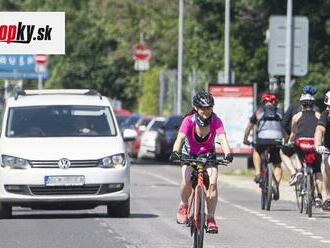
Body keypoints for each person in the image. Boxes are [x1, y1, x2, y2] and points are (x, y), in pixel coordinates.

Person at [170, 90, 233, 234]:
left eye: (209, 107)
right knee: (186, 180)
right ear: (196, 108)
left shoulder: (216, 121)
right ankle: (184, 205)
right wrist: (175, 152)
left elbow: (222, 139)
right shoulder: (189, 120)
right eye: (203, 108)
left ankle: (210, 218)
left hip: (208, 156)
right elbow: (180, 138)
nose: (206, 111)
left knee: (213, 183)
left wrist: (228, 153)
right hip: (189, 155)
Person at [243, 92, 283, 200]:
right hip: (277, 140)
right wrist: (286, 140)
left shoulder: (259, 111)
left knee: (256, 150)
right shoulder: (280, 112)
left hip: (262, 140)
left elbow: (248, 128)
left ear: (263, 102)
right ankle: (275, 186)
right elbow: (284, 128)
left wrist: (245, 139)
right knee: (277, 165)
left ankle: (257, 173)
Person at [287, 93, 322, 206]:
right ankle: (318, 196)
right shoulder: (318, 115)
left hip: (301, 143)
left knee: (297, 153)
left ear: (302, 105)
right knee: (317, 170)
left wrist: (289, 142)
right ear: (313, 105)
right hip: (314, 144)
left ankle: (300, 171)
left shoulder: (296, 116)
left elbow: (294, 133)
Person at [280, 85, 318, 184]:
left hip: (298, 140)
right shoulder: (316, 111)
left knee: (288, 150)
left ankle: (295, 173)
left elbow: (284, 123)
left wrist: (288, 139)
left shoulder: (294, 107)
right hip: (314, 142)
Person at [315, 91, 330, 211]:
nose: (328, 108)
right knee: (328, 163)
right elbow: (319, 130)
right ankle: (327, 197)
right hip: (328, 148)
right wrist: (318, 145)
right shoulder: (325, 114)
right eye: (328, 105)